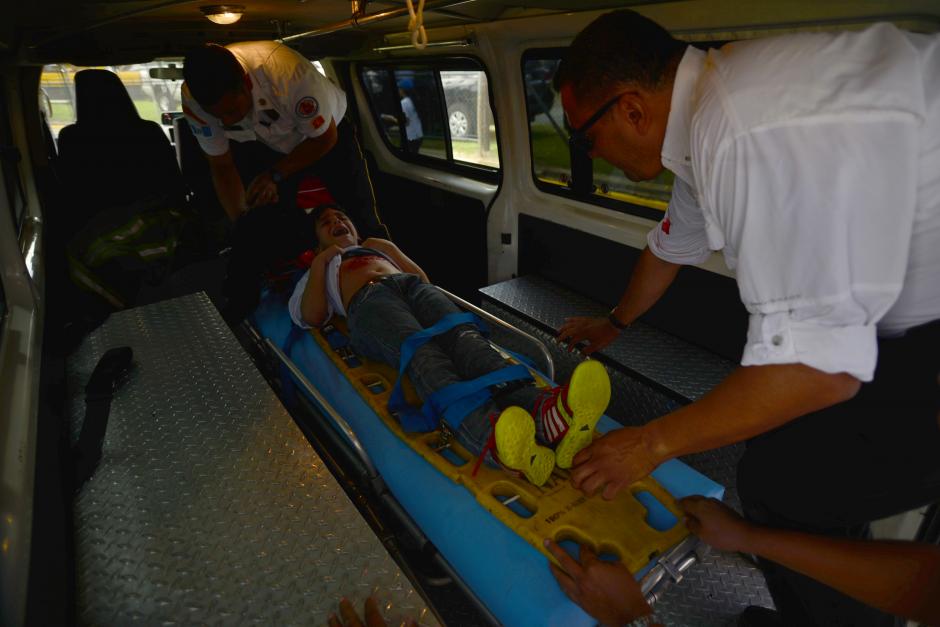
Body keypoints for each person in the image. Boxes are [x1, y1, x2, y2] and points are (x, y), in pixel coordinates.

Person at [551, 9, 940, 626]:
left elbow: (819, 372)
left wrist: (647, 445)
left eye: (585, 138)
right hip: (897, 320)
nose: (591, 156)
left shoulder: (739, 131)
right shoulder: (711, 113)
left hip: (922, 335)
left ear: (630, 109)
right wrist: (614, 323)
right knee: (774, 472)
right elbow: (673, 243)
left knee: (792, 489)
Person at [288, 205, 612, 486]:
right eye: (325, 222)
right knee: (424, 355)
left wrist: (387, 249)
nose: (336, 221)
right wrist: (321, 262)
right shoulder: (321, 267)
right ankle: (494, 441)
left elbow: (422, 278)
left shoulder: (376, 247)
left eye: (341, 216)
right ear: (316, 241)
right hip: (368, 302)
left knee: (467, 340)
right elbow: (312, 316)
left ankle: (546, 416)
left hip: (411, 287)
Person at [181, 42, 388, 237]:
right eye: (217, 116)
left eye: (232, 110)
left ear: (245, 83)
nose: (226, 120)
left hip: (328, 136)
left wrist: (275, 175)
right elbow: (222, 165)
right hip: (267, 143)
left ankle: (387, 265)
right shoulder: (193, 101)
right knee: (275, 220)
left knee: (360, 214)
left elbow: (324, 138)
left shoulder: (288, 75)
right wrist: (242, 227)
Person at [397, 78, 424, 154]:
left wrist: (391, 119)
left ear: (402, 90)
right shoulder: (414, 100)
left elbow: (406, 122)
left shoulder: (404, 103)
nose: (398, 90)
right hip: (419, 135)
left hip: (410, 137)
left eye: (399, 88)